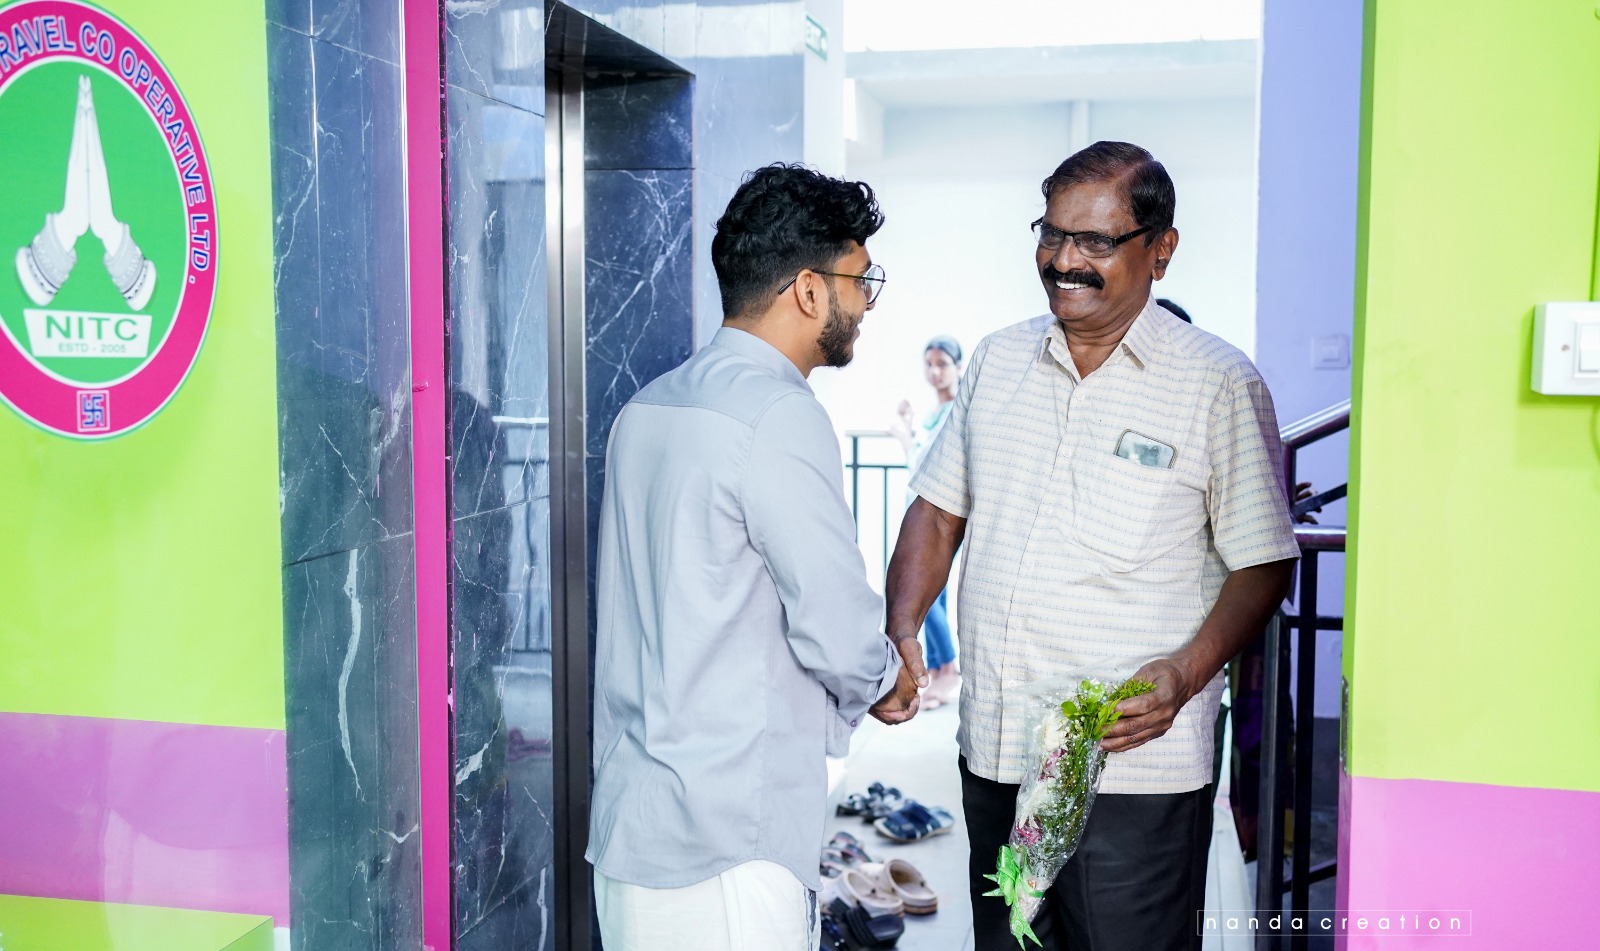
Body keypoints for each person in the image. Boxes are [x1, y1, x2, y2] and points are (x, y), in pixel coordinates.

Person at [885, 141, 1300, 951]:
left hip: (1132, 770)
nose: (1064, 260)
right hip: (998, 750)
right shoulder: (997, 360)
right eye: (1052, 233)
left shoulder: (1217, 382)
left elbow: (1263, 559)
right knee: (1008, 940)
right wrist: (904, 625)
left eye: (1096, 241)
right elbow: (936, 511)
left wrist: (1185, 671)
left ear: (1160, 250)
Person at [586, 164, 926, 951]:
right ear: (808, 289)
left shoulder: (647, 406)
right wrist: (888, 678)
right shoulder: (778, 414)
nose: (865, 303)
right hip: (726, 846)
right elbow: (836, 625)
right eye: (860, 280)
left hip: (633, 829)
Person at [889, 336, 965, 708]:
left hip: (942, 515)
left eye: (942, 364)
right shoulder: (936, 412)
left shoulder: (956, 411)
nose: (935, 372)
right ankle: (938, 668)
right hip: (923, 513)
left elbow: (924, 465)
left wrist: (905, 437)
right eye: (929, 364)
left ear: (958, 367)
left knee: (925, 591)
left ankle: (948, 668)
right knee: (935, 594)